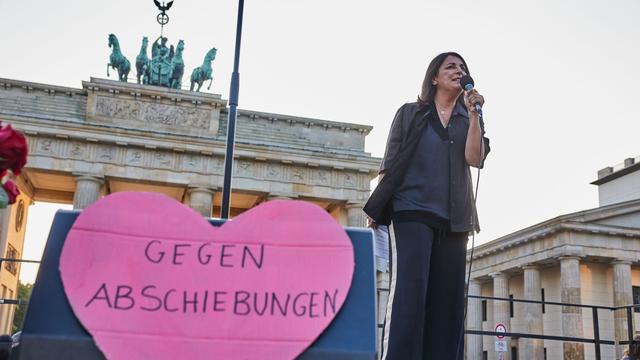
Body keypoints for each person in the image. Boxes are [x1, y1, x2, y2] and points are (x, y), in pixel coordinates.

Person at [364, 52, 490, 359]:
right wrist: (378, 208)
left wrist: (474, 114)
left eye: (463, 68)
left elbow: (475, 158)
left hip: (455, 219)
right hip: (410, 211)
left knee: (447, 304)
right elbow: (390, 162)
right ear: (434, 76)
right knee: (411, 293)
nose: (459, 71)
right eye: (451, 66)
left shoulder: (467, 119)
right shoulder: (410, 113)